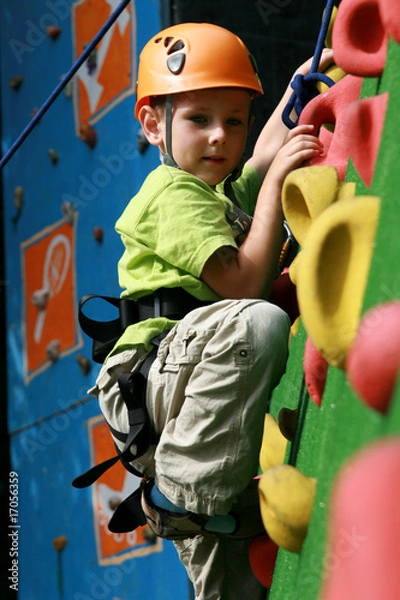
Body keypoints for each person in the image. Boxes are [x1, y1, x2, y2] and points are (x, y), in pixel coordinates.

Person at [89, 22, 332, 599]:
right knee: (260, 319)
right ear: (154, 124)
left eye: (236, 119)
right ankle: (180, 498)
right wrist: (276, 186)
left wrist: (293, 94)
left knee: (237, 585)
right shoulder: (171, 196)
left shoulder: (213, 193)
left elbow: (262, 156)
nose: (221, 137)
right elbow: (243, 285)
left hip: (185, 400)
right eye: (199, 119)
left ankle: (189, 504)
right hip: (155, 385)